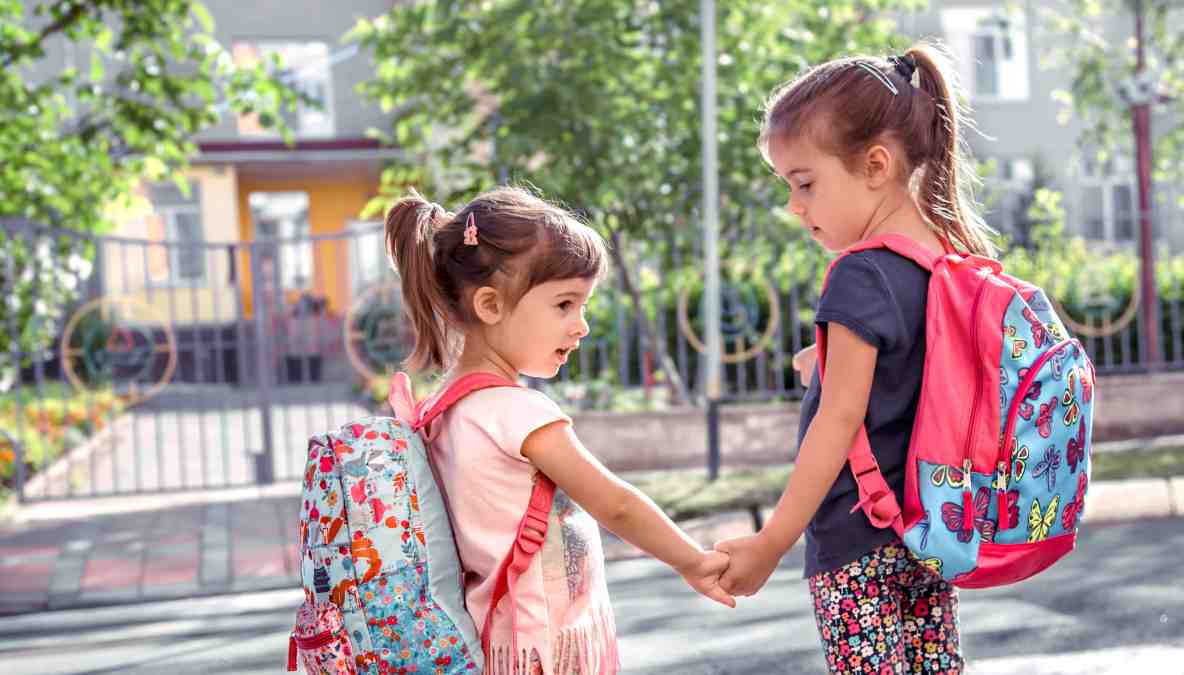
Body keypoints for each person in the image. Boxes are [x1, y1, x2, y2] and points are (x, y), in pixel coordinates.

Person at [715, 44, 996, 674]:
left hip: (856, 541)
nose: (795, 205)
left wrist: (770, 542)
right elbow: (922, 379)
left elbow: (837, 424)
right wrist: (827, 366)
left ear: (875, 164)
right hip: (928, 533)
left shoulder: (859, 275)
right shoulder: (946, 261)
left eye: (805, 183)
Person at [385, 186, 734, 675]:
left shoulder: (444, 409)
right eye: (565, 304)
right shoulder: (515, 412)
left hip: (499, 643)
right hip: (545, 648)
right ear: (490, 305)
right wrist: (692, 561)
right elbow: (615, 503)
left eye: (584, 305)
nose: (582, 326)